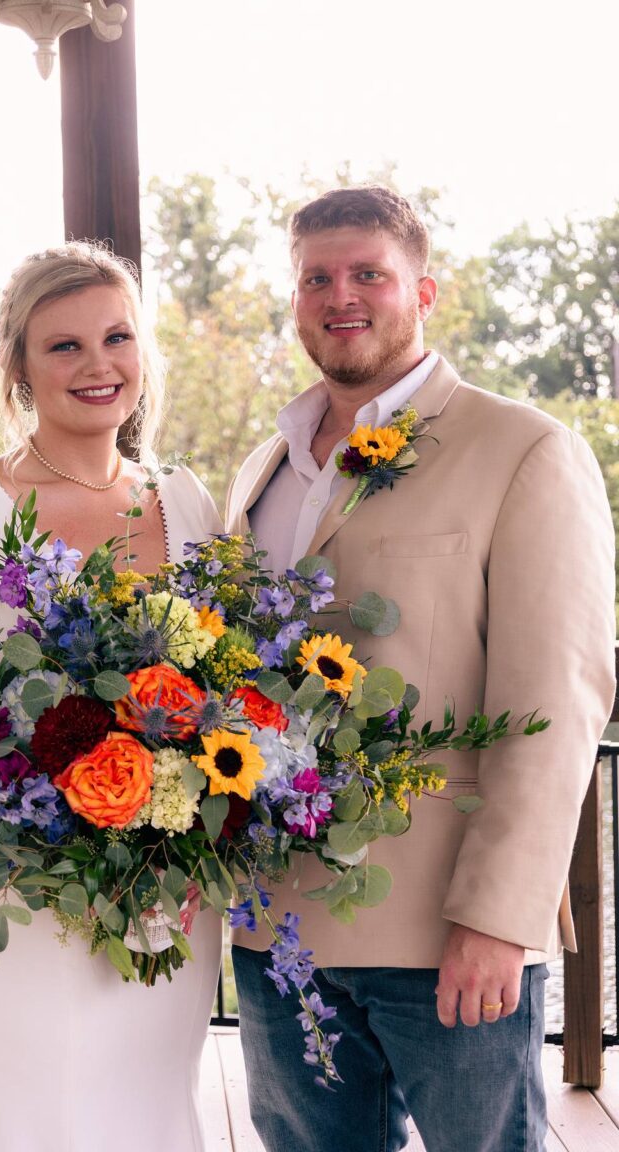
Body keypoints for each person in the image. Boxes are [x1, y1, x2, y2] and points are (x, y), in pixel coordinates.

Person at [225, 186, 616, 1152]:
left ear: (424, 292)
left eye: (368, 273)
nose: (340, 295)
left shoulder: (524, 451)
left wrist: (499, 919)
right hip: (278, 929)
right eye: (317, 277)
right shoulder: (258, 469)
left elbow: (555, 704)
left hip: (444, 932)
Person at [0, 241, 224, 1152]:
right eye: (63, 346)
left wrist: (189, 821)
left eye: (117, 337)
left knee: (148, 1115)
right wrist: (21, 827)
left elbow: (225, 695)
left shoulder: (186, 503)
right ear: (20, 367)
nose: (98, 365)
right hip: (13, 907)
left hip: (162, 905)